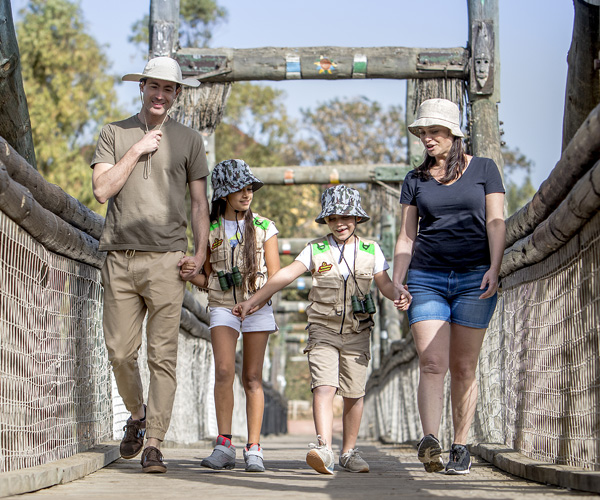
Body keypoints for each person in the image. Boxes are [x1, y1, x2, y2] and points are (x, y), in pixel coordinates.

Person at [233, 185, 410, 475]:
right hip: (322, 330)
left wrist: (398, 293)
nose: (340, 223)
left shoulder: (371, 250)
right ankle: (324, 448)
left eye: (347, 217)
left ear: (357, 220)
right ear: (326, 221)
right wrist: (253, 300)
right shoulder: (316, 249)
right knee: (324, 386)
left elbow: (385, 285)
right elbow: (286, 275)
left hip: (358, 331)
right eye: (333, 218)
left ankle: (349, 453)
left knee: (354, 392)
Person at [90, 57, 210, 473]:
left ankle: (155, 441)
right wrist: (138, 149)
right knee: (120, 352)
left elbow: (199, 204)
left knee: (163, 356)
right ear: (141, 87)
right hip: (119, 258)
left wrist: (200, 254)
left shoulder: (191, 140)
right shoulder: (113, 133)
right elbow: (102, 190)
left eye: (169, 89)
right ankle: (138, 416)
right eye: (154, 86)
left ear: (177, 94)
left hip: (168, 261)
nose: (161, 95)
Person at [392, 98, 505, 475]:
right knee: (432, 362)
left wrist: (496, 265)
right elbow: (406, 238)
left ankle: (461, 444)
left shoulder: (485, 169)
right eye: (423, 132)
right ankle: (431, 442)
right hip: (426, 277)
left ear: (454, 135)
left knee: (463, 366)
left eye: (434, 131)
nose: (427, 138)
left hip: (476, 275)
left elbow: (496, 223)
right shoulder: (415, 179)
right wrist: (397, 279)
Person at [184, 159, 280, 473]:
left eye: (250, 187)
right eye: (240, 188)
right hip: (223, 307)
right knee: (224, 371)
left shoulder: (266, 227)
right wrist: (187, 272)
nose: (247, 193)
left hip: (258, 307)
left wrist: (252, 302)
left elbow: (276, 277)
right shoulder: (210, 230)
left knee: (251, 377)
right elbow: (208, 277)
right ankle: (224, 445)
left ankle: (254, 447)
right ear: (224, 193)